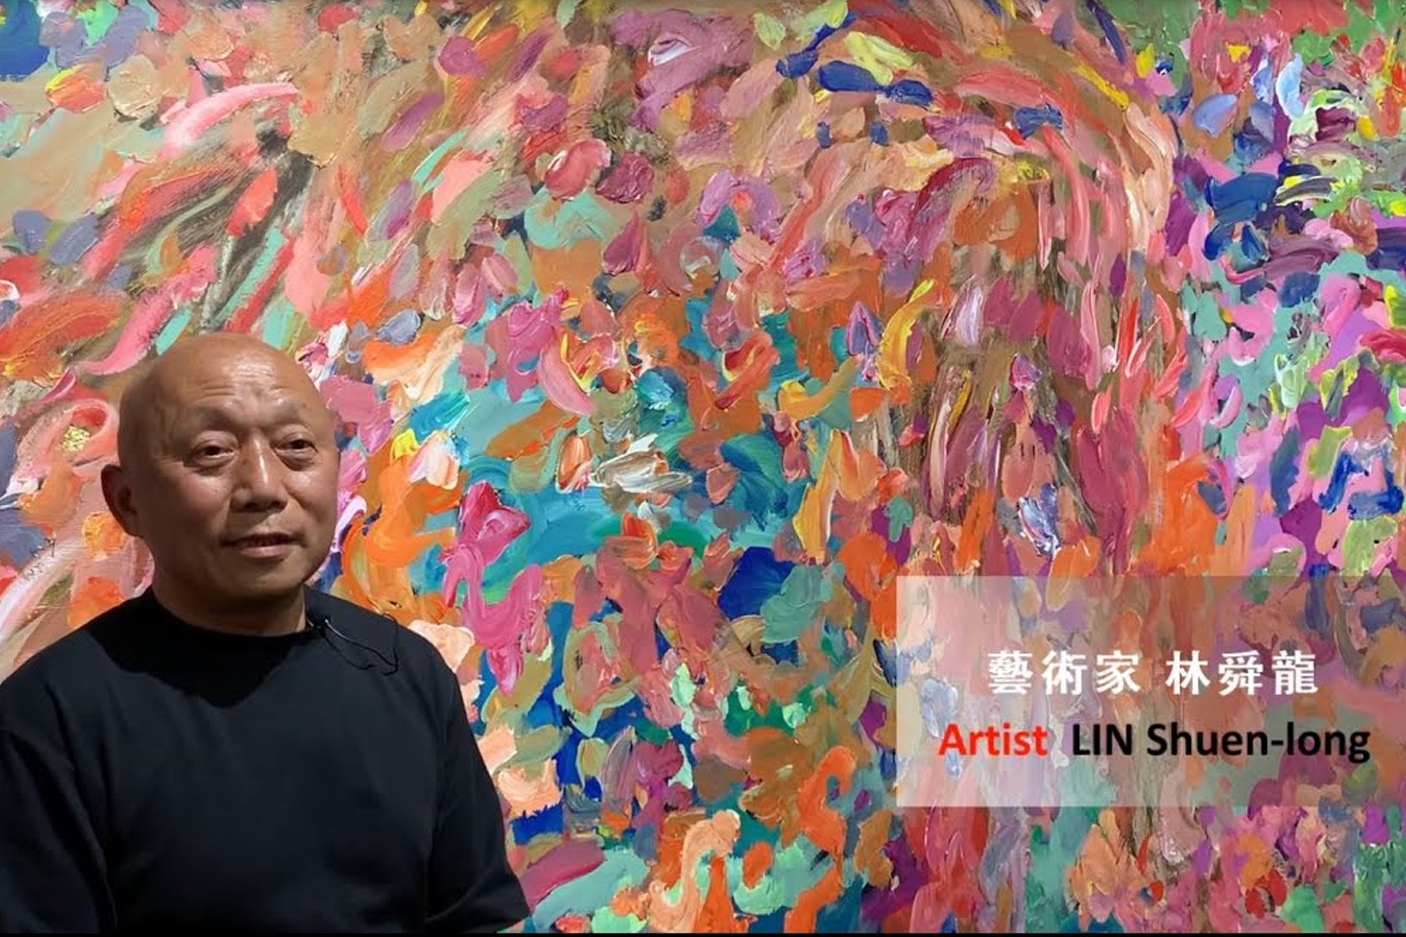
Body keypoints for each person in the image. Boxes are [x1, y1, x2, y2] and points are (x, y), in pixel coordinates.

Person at [0, 333, 530, 933]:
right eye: (212, 452)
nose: (264, 487)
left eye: (296, 447)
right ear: (127, 501)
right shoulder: (50, 720)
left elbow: (474, 916)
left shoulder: (405, 672)